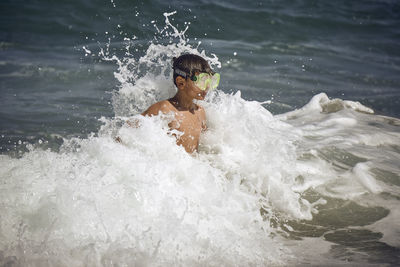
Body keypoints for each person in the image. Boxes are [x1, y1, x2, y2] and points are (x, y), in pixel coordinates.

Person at [140, 54, 220, 153]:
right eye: (202, 81)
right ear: (181, 83)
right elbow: (128, 132)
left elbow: (205, 147)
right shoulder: (164, 109)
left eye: (210, 81)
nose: (207, 87)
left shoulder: (200, 112)